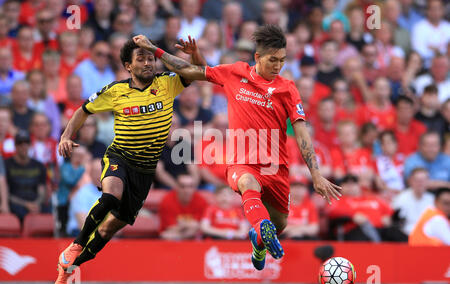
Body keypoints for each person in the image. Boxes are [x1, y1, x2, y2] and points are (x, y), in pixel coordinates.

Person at [133, 25, 341, 271]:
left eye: (282, 61)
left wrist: (316, 175)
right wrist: (153, 49)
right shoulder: (235, 72)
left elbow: (302, 131)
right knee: (246, 183)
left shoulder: (287, 88)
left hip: (276, 166)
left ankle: (259, 239)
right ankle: (261, 225)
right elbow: (190, 70)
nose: (278, 66)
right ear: (257, 57)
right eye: (272, 60)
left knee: (280, 224)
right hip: (242, 161)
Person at [53, 36, 203, 284]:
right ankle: (76, 244)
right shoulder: (115, 91)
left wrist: (194, 52)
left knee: (109, 229)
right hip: (119, 157)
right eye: (140, 59)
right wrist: (66, 135)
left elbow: (198, 72)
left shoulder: (168, 83)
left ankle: (68, 270)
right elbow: (83, 110)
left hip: (145, 171)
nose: (147, 63)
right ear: (128, 66)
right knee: (111, 196)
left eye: (150, 58)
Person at [5, 130, 47, 222]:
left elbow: (42, 191)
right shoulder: (6, 165)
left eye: (26, 143)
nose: (24, 146)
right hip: (16, 204)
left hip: (35, 203)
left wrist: (36, 204)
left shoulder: (39, 166)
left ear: (30, 145)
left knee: (48, 212)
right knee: (18, 211)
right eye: (20, 143)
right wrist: (26, 204)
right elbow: (6, 193)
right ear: (15, 146)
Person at [158, 174, 208, 240]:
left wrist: (183, 224)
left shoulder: (201, 201)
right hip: (172, 236)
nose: (187, 190)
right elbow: (170, 228)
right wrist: (190, 225)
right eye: (182, 186)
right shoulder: (167, 200)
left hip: (190, 236)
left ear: (194, 187)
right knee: (166, 235)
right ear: (176, 187)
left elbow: (199, 226)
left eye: (190, 186)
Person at [392, 167, 435, 236]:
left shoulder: (433, 199)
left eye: (423, 180)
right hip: (406, 235)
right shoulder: (401, 198)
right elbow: (396, 222)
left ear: (428, 181)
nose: (420, 183)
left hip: (429, 236)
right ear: (410, 181)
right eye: (417, 180)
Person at [66, 158, 103, 237]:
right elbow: (84, 225)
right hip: (79, 236)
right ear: (90, 173)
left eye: (103, 171)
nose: (100, 174)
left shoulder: (113, 191)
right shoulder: (81, 194)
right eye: (96, 171)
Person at [280, 175, 319, 241]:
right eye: (294, 187)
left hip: (304, 238)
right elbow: (277, 227)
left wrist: (297, 231)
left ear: (306, 189)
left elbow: (314, 228)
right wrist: (293, 231)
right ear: (288, 188)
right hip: (284, 238)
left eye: (301, 187)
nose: (297, 190)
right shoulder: (282, 204)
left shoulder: (310, 205)